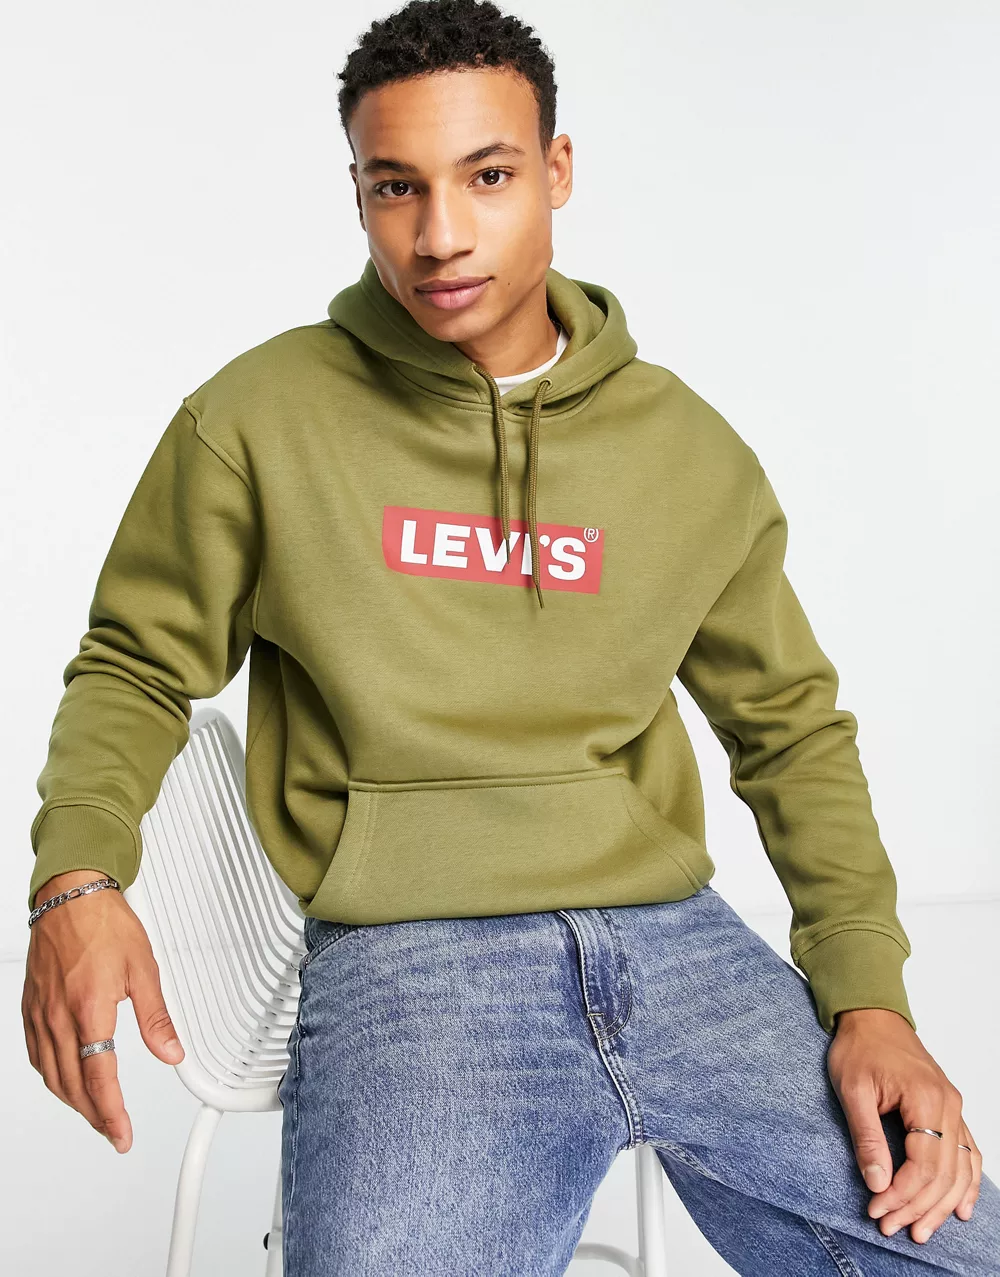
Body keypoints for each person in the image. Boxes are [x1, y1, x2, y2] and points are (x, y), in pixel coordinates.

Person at [21, 2, 1000, 1274]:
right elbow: (134, 665)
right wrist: (76, 879)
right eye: (395, 187)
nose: (439, 234)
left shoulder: (684, 450)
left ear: (556, 170)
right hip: (413, 955)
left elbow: (789, 731)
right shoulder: (257, 420)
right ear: (358, 194)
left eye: (486, 176)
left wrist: (870, 997)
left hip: (676, 940)